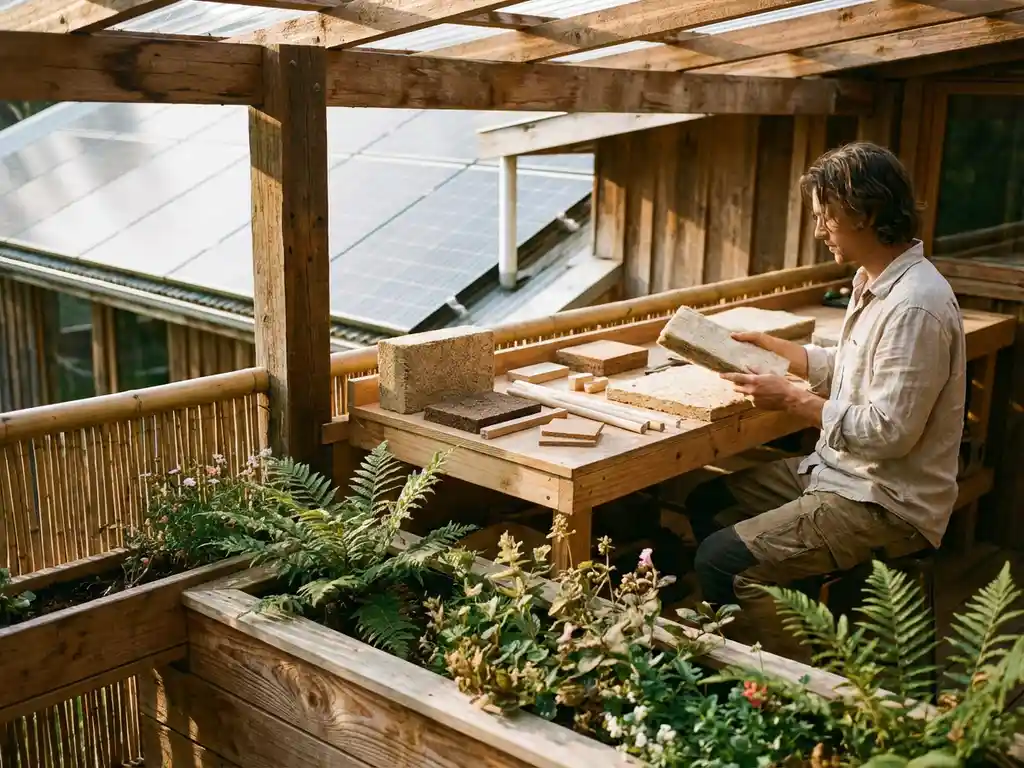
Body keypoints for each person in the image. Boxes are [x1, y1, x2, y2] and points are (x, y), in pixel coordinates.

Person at [682, 141, 967, 661]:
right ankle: (798, 609)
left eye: (826, 217)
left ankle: (809, 691)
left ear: (866, 212)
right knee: (709, 501)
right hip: (841, 470)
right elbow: (848, 366)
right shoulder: (874, 282)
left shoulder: (914, 306)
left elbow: (888, 432)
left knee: (720, 560)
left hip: (885, 500)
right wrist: (781, 352)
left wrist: (792, 400)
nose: (820, 231)